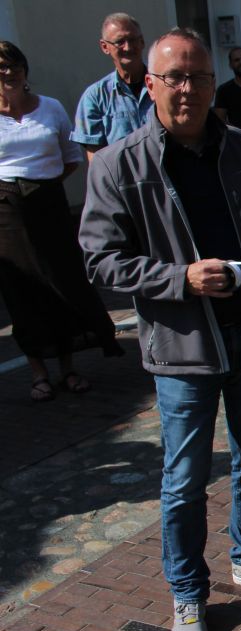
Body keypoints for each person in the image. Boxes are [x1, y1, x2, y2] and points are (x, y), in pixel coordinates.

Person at [78, 29, 241, 631]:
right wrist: (178, 278)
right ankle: (187, 594)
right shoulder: (118, 163)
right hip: (183, 348)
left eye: (199, 78)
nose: (188, 89)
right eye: (175, 78)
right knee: (184, 481)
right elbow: (100, 260)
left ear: (214, 84)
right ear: (151, 84)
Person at [0, 41, 123, 403]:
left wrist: (45, 183)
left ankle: (68, 367)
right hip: (6, 211)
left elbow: (71, 156)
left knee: (61, 283)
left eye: (14, 65)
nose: (9, 72)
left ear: (25, 70)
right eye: (1, 66)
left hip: (48, 205)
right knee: (21, 291)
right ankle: (39, 372)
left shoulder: (50, 107)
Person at [71, 12, 153, 161]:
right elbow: (96, 160)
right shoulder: (95, 97)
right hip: (124, 182)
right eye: (120, 41)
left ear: (142, 42)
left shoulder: (162, 86)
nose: (128, 47)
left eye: (133, 40)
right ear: (105, 46)